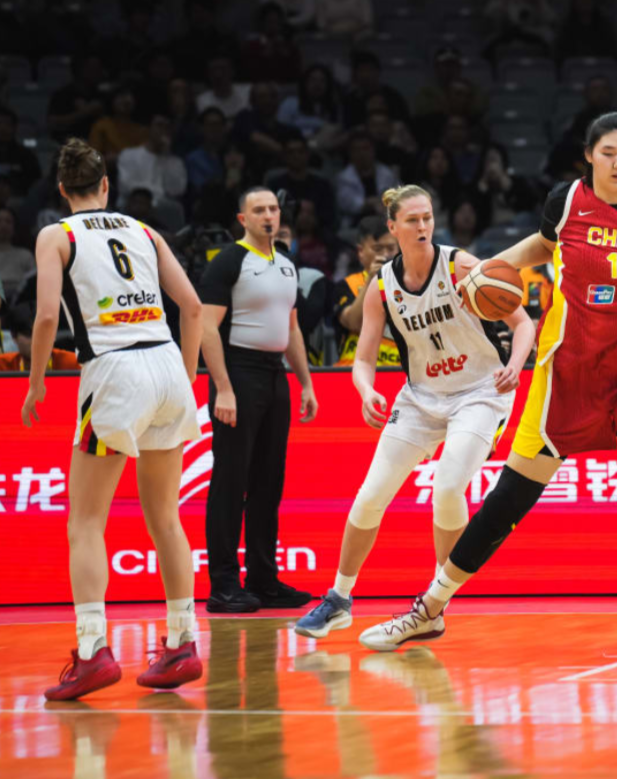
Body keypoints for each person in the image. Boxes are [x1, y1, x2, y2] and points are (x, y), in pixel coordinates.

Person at [359, 112, 617, 654]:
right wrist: (488, 268)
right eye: (608, 153)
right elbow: (544, 245)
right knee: (508, 501)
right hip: (565, 374)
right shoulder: (567, 201)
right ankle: (428, 608)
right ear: (589, 155)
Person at [294, 184, 535, 639]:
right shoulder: (381, 286)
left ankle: (434, 606)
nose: (423, 226)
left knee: (448, 487)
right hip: (421, 397)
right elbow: (363, 359)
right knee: (370, 496)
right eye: (412, 220)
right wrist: (366, 391)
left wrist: (516, 365)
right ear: (393, 227)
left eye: (427, 217)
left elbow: (523, 324)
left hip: (480, 392)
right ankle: (339, 600)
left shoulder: (461, 265)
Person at [20, 138, 205, 700]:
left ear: (62, 190)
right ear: (106, 185)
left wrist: (35, 382)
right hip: (167, 365)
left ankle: (93, 650)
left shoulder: (56, 235)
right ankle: (182, 643)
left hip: (115, 372)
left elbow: (46, 315)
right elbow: (193, 307)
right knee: (166, 518)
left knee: (85, 522)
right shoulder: (144, 231)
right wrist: (186, 378)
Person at [198, 186, 319, 613]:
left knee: (269, 481)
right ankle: (223, 585)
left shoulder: (286, 264)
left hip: (274, 374)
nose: (268, 216)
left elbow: (293, 328)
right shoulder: (228, 261)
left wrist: (305, 383)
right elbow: (206, 327)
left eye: (273, 209)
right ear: (242, 219)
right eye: (259, 210)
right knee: (231, 480)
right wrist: (223, 387)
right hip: (238, 372)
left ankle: (264, 580)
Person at [332, 215, 400, 366]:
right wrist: (372, 280)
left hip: (396, 373)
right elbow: (354, 323)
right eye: (378, 249)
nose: (385, 255)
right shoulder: (347, 285)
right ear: (361, 251)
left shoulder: (411, 286)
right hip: (353, 372)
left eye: (391, 248)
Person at [116, 114, 188, 207]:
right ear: (149, 128)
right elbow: (125, 187)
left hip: (162, 209)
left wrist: (167, 157)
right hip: (132, 207)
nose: (163, 130)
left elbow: (176, 190)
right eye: (159, 125)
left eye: (167, 127)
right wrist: (159, 192)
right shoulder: (129, 154)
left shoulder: (176, 162)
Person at [0, 302, 79, 371]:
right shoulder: (2, 366)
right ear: (14, 336)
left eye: (43, 334)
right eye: (28, 334)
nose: (37, 341)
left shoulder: (75, 365)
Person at [0, 206, 35, 298]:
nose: (3, 225)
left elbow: (33, 282)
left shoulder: (25, 255)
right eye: (0, 221)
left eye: (8, 221)